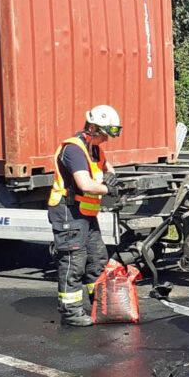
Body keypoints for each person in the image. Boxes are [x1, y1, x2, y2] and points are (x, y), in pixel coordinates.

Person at [48, 105, 122, 327]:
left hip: (86, 213)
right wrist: (109, 189)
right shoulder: (73, 150)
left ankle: (99, 304)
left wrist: (110, 178)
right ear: (92, 128)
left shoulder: (95, 149)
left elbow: (109, 170)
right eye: (104, 135)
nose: (107, 140)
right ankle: (70, 312)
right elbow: (85, 184)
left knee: (97, 259)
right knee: (74, 261)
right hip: (68, 212)